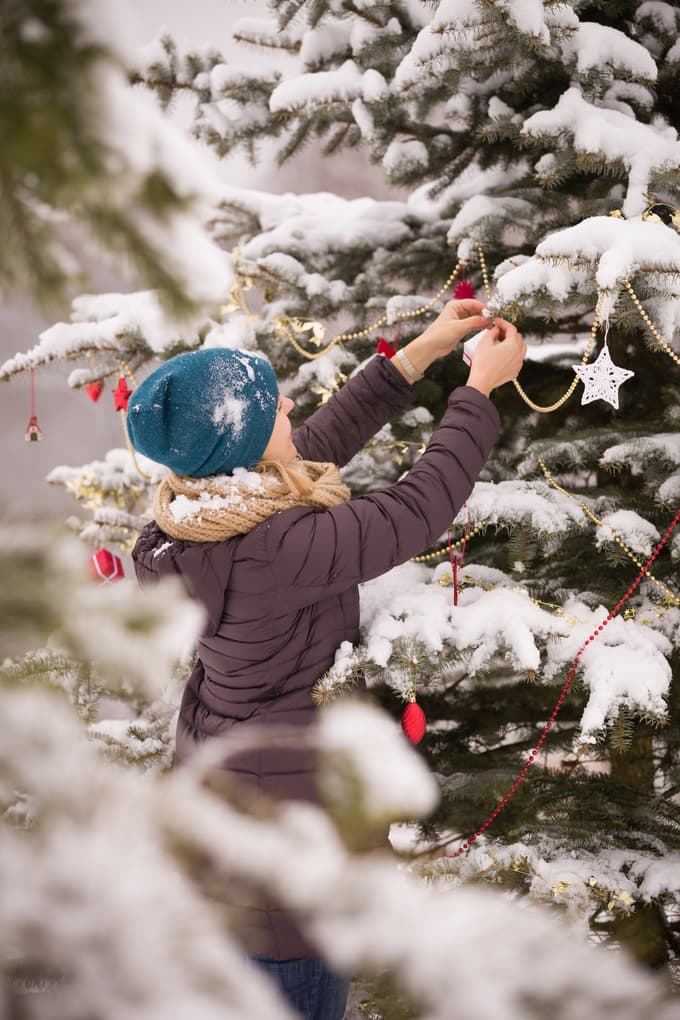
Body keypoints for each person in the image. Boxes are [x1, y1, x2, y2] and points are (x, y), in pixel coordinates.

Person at [129, 299, 526, 1020]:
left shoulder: (192, 517)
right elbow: (414, 511)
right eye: (269, 403)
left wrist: (418, 353)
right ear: (243, 445)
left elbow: (313, 440)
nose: (288, 402)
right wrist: (478, 393)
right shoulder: (276, 549)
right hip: (292, 865)